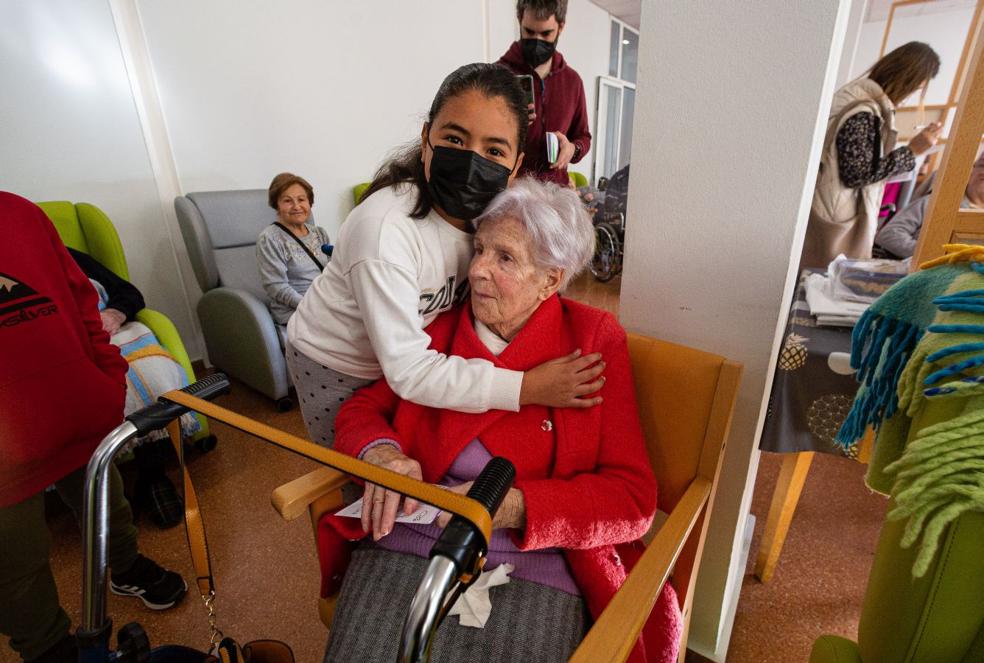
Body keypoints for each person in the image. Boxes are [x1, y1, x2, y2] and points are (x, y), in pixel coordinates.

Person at [322, 180, 681, 663]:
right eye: (479, 249)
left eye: (505, 258)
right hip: (410, 537)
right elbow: (361, 411)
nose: (477, 270)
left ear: (550, 280)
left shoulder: (592, 340)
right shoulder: (441, 329)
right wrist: (383, 454)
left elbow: (631, 499)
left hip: (538, 560)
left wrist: (512, 506)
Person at [286, 63, 605, 448]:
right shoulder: (385, 230)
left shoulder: (492, 215)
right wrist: (526, 387)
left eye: (494, 150)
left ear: (515, 166)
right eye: (454, 140)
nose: (472, 162)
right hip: (338, 363)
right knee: (354, 467)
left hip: (414, 357)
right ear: (426, 140)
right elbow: (409, 371)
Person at [0, 193, 186, 663]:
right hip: (4, 455)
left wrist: (107, 378)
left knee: (110, 506)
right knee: (16, 561)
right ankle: (46, 645)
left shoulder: (23, 214)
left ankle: (125, 567)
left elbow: (82, 299)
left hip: (72, 410)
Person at [69, 247, 201, 529]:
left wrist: (114, 314)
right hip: (61, 344)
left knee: (153, 377)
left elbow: (129, 293)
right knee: (74, 395)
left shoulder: (70, 257)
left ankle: (152, 477)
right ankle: (103, 493)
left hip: (110, 331)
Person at [802, 41, 943, 268]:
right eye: (917, 88)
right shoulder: (863, 111)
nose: (911, 95)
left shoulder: (855, 100)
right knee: (821, 279)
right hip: (834, 217)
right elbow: (857, 173)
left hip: (824, 208)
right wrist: (912, 151)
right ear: (907, 80)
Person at [498, 0, 591, 187]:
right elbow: (481, 136)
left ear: (561, 27)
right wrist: (509, 122)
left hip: (555, 190)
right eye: (529, 31)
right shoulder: (497, 75)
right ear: (519, 19)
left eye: (546, 33)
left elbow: (583, 136)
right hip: (510, 190)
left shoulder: (573, 81)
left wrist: (572, 149)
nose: (537, 41)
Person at [874, 152, 984, 259]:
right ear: (971, 170)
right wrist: (935, 255)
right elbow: (888, 235)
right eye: (982, 165)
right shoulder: (934, 203)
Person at [256, 172, 330, 325]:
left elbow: (333, 273)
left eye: (301, 199)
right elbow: (276, 287)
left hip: (325, 304)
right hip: (295, 311)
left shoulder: (320, 233)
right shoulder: (269, 239)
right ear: (277, 205)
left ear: (309, 203)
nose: (296, 206)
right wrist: (312, 307)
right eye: (287, 201)